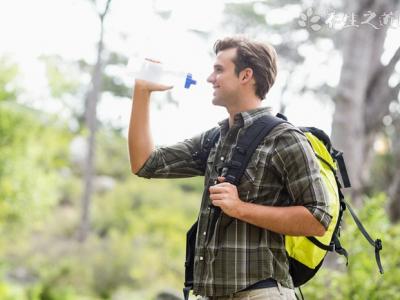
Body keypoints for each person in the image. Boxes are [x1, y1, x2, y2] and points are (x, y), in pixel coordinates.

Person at [128, 36, 332, 300]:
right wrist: (142, 92)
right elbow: (145, 163)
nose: (210, 78)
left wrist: (240, 208)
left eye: (219, 70)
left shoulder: (284, 138)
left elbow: (318, 219)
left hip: (262, 294)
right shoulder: (215, 139)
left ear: (246, 75)